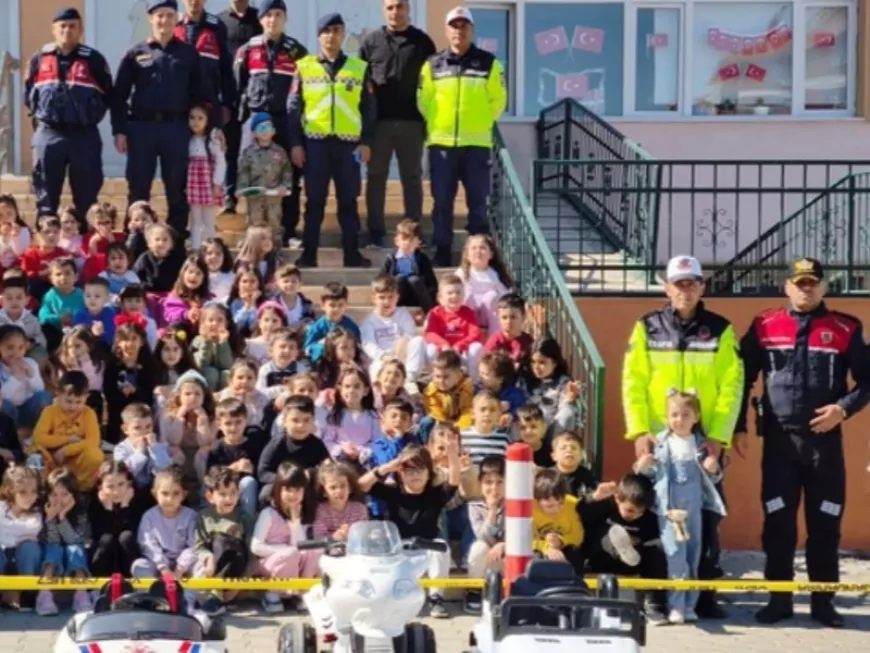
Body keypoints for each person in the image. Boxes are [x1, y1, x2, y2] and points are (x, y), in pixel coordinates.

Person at [737, 257, 870, 628]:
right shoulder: (764, 325)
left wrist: (843, 409)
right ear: (787, 287)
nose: (806, 289)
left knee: (825, 525)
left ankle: (824, 603)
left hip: (824, 447)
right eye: (800, 283)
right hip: (779, 445)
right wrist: (739, 428)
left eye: (813, 282)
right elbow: (740, 378)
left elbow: (867, 380)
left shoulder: (846, 327)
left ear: (824, 287)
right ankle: (779, 600)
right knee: (778, 525)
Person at [622, 254, 743, 619]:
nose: (685, 290)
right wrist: (639, 431)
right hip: (658, 443)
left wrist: (718, 437)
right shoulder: (646, 327)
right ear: (667, 288)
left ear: (702, 287)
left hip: (701, 441)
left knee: (707, 518)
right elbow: (633, 383)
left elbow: (732, 387)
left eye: (692, 283)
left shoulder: (721, 329)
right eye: (679, 284)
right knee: (654, 518)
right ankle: (656, 596)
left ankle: (702, 596)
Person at [112, 0, 213, 238]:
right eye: (159, 15)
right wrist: (120, 130)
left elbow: (201, 93)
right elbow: (118, 96)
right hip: (141, 128)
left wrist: (203, 127)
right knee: (138, 185)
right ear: (150, 18)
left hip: (176, 128)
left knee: (177, 185)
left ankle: (175, 239)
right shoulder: (136, 53)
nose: (164, 20)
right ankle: (136, 238)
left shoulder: (188, 54)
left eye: (169, 15)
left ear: (176, 19)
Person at [417, 7, 506, 267]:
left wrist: (480, 122)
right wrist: (439, 123)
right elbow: (423, 100)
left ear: (472, 30)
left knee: (477, 203)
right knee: (442, 201)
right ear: (446, 31)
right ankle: (443, 249)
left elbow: (498, 101)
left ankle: (479, 255)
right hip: (442, 144)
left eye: (464, 25)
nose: (459, 30)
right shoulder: (433, 64)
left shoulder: (489, 63)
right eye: (454, 26)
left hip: (476, 144)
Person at [287, 12, 376, 269]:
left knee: (348, 201)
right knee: (314, 201)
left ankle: (352, 255)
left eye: (336, 30)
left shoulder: (359, 68)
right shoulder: (304, 67)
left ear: (343, 34)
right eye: (326, 31)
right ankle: (309, 255)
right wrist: (296, 143)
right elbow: (293, 108)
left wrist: (366, 141)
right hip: (315, 144)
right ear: (318, 36)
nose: (331, 36)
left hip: (349, 146)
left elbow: (369, 108)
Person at [634, 391, 726, 625]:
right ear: (666, 417)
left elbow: (713, 479)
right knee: (675, 555)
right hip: (669, 508)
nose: (679, 420)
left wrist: (713, 468)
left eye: (686, 415)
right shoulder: (661, 443)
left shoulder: (701, 445)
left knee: (693, 554)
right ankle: (675, 604)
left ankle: (689, 604)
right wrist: (642, 466)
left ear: (696, 417)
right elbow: (648, 474)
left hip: (694, 507)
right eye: (674, 415)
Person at [24, 8, 112, 228]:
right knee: (45, 196)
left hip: (84, 134)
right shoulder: (39, 58)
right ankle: (47, 242)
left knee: (87, 197)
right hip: (49, 132)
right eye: (62, 26)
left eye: (72, 26)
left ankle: (84, 243)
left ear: (80, 30)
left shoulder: (94, 60)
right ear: (53, 29)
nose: (67, 30)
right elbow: (28, 94)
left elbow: (108, 95)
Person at [358, 0, 435, 246]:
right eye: (390, 7)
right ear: (384, 10)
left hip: (412, 122)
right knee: (376, 178)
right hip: (378, 124)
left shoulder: (423, 42)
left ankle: (412, 233)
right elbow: (361, 85)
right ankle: (375, 233)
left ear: (408, 9)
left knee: (412, 178)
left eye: (400, 6)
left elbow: (432, 84)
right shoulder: (370, 41)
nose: (395, 12)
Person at [233, 0, 307, 246]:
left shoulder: (297, 51)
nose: (273, 20)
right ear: (260, 19)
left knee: (289, 175)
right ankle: (253, 231)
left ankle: (288, 231)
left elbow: (305, 90)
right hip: (255, 118)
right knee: (251, 173)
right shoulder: (247, 49)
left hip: (286, 120)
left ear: (285, 18)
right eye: (268, 15)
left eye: (278, 15)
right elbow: (237, 87)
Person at [218, 0, 263, 213]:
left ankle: (258, 200)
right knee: (231, 149)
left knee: (259, 150)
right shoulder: (220, 22)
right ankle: (229, 197)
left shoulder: (261, 19)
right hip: (230, 96)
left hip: (256, 98)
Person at [174, 0, 236, 129]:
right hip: (179, 103)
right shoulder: (174, 25)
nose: (194, 2)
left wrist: (226, 104)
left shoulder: (217, 26)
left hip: (209, 103)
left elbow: (226, 69)